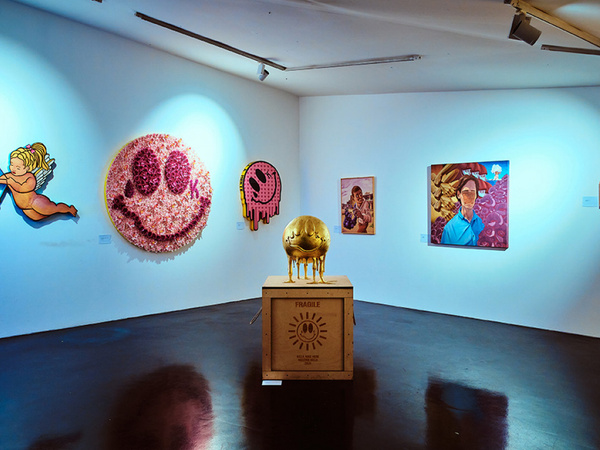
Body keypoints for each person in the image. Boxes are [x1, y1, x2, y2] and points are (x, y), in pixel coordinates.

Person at [0, 143, 77, 220]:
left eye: (18, 168)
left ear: (27, 168)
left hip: (35, 202)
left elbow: (23, 188)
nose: (13, 169)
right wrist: (7, 180)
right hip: (25, 208)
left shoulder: (30, 177)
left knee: (53, 209)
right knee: (37, 218)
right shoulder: (10, 176)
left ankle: (69, 209)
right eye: (11, 164)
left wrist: (11, 182)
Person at [441, 175, 484, 246]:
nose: (469, 197)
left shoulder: (482, 223)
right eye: (465, 192)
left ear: (476, 195)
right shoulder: (450, 228)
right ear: (458, 195)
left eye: (472, 192)